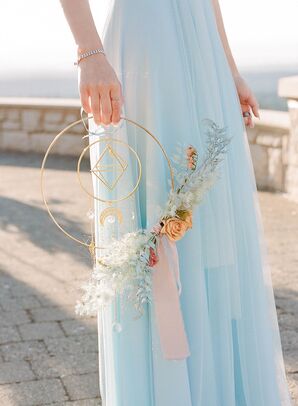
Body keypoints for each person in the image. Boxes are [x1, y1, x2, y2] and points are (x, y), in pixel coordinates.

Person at [60, 1, 292, 405]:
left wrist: (230, 69)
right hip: (146, 47)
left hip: (205, 57)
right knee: (153, 222)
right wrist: (89, 53)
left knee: (213, 239)